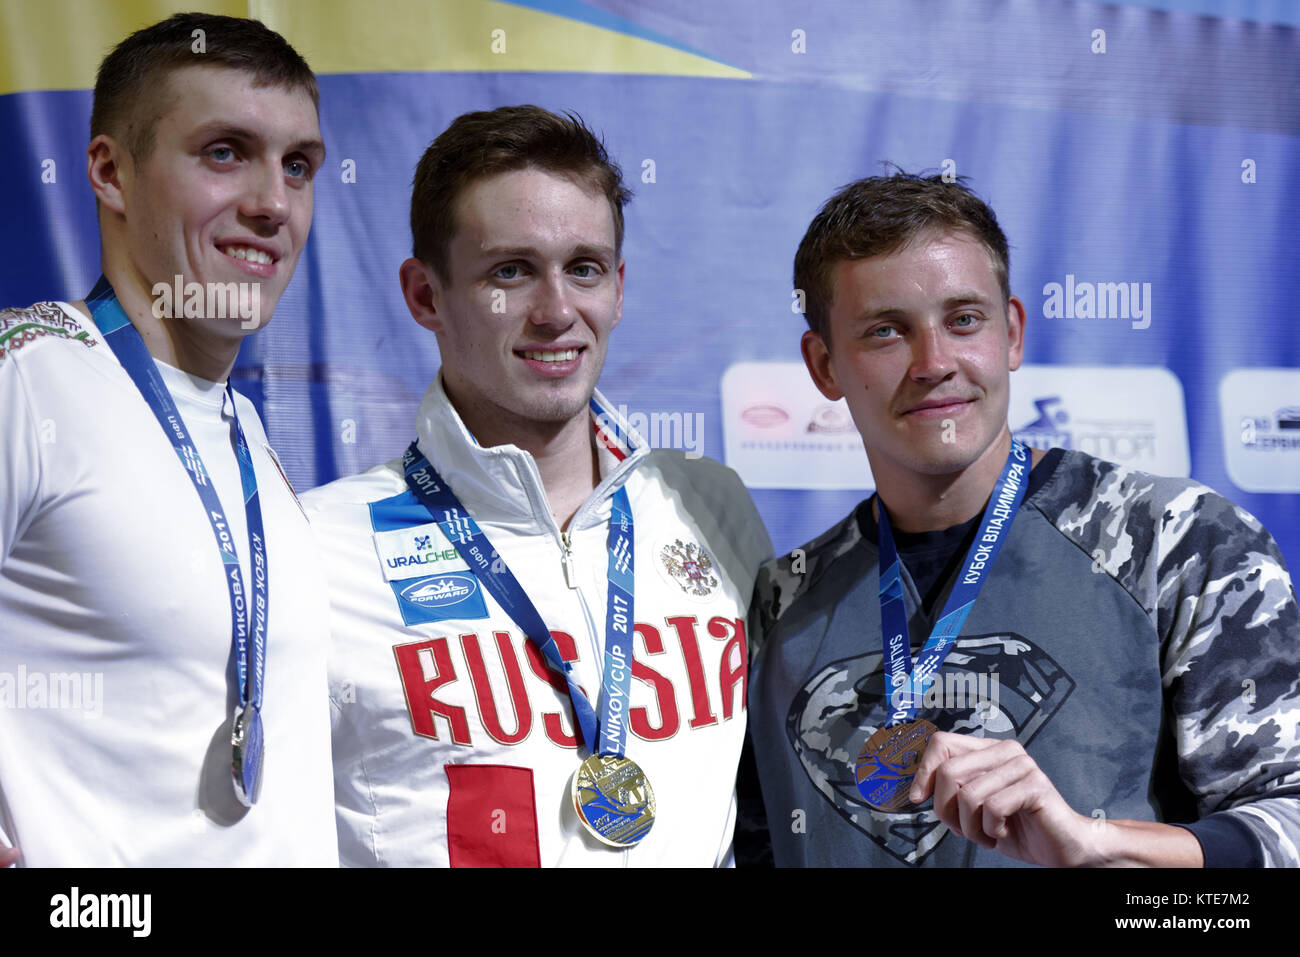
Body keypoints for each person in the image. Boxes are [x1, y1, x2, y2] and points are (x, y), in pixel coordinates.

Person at [745, 172, 1300, 867]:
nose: (935, 363)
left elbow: (1289, 815)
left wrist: (1099, 846)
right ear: (824, 364)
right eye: (887, 331)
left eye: (964, 320)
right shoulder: (783, 600)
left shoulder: (1177, 540)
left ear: (1010, 333)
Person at [302, 105, 772, 867]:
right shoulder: (319, 547)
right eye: (510, 271)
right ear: (425, 296)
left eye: (583, 267)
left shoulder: (709, 507)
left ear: (617, 289)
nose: (557, 312)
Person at [0, 13, 336, 865]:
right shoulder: (26, 376)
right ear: (111, 172)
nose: (271, 204)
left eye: (297, 165)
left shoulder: (241, 427)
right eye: (225, 152)